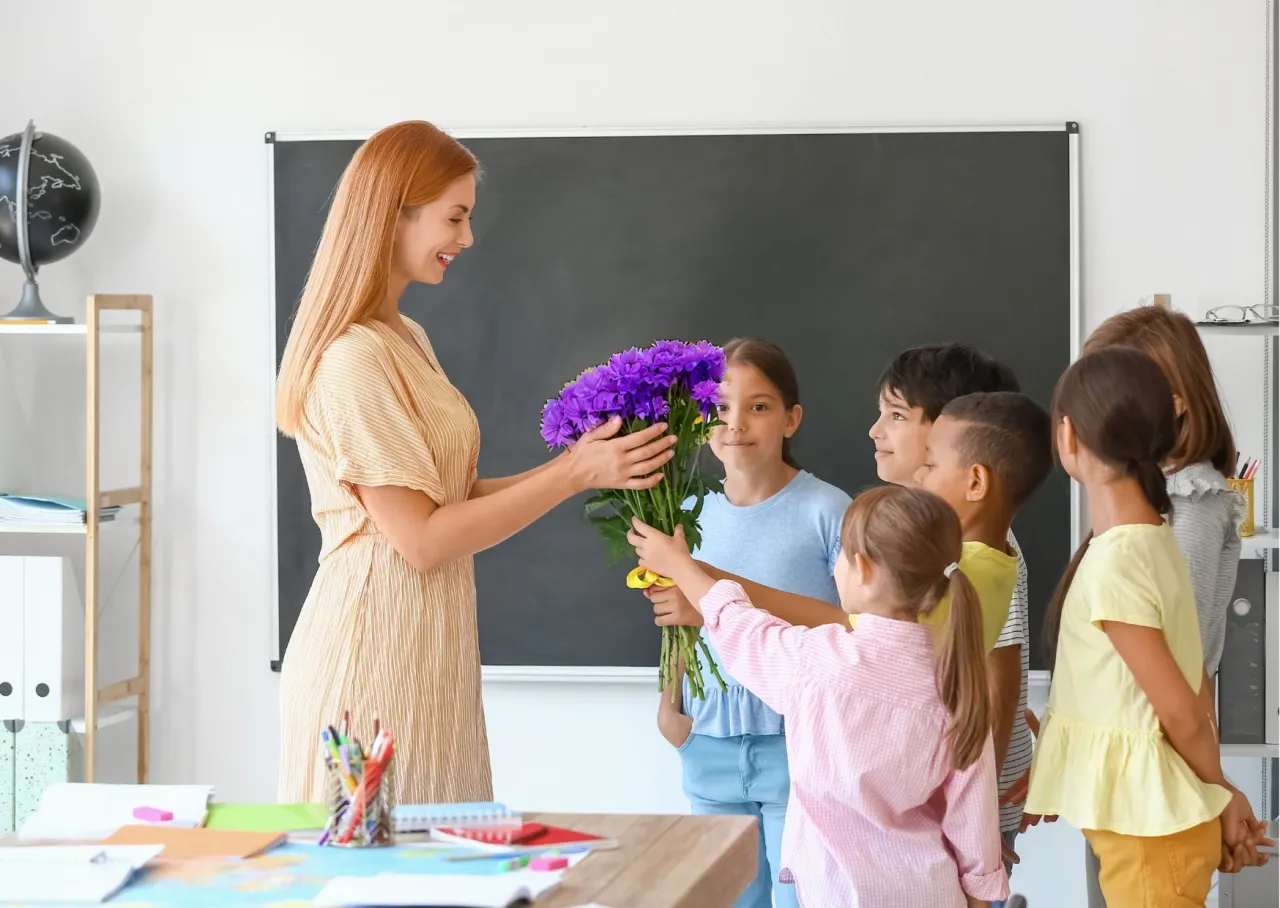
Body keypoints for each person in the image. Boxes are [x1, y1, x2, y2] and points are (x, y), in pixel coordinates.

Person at [272, 121, 676, 804]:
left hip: (427, 648)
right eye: (454, 218)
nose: (466, 239)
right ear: (392, 213)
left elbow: (448, 499)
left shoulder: (406, 338)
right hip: (373, 652)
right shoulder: (353, 360)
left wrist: (587, 463)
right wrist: (573, 473)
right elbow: (422, 541)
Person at [630, 485, 1009, 908]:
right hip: (928, 891)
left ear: (861, 568)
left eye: (842, 555)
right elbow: (973, 825)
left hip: (830, 893)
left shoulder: (818, 662)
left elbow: (740, 626)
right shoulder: (955, 684)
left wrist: (680, 567)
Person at [1024, 347, 1270, 906]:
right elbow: (1190, 681)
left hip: (1152, 830)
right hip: (1150, 824)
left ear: (1067, 437)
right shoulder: (1152, 540)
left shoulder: (1118, 557)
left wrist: (1218, 792)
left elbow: (1180, 709)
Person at [648, 338, 850, 908]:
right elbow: (674, 618)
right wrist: (672, 709)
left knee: (800, 901)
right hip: (706, 737)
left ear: (792, 418)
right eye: (718, 407)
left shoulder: (827, 511)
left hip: (798, 742)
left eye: (759, 406)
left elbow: (855, 625)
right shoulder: (687, 510)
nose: (735, 423)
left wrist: (720, 601)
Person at [1077, 306, 1248, 907]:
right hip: (1136, 770)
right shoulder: (1134, 499)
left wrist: (1217, 788)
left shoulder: (1191, 502)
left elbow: (1185, 671)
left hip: (1160, 770)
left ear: (1174, 401)